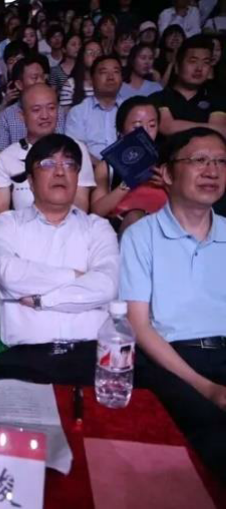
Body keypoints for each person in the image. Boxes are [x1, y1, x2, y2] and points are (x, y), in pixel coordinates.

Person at [120, 127, 226, 483]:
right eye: (199, 160)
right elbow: (139, 326)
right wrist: (207, 387)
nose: (212, 171)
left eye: (220, 162)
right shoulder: (142, 236)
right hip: (171, 361)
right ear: (166, 173)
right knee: (209, 435)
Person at [0, 133, 119, 385]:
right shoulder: (8, 224)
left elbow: (106, 286)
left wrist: (41, 301)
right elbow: (9, 274)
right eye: (48, 163)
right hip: (25, 359)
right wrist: (77, 277)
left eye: (69, 164)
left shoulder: (98, 227)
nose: (60, 172)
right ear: (30, 180)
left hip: (92, 356)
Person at [0, 84, 95, 215]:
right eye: (36, 110)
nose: (45, 115)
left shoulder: (76, 149)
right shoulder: (6, 157)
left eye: (51, 108)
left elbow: (80, 205)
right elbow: (1, 210)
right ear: (22, 116)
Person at [91, 96, 168, 234]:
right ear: (121, 130)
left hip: (164, 226)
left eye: (152, 125)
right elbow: (97, 212)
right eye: (137, 126)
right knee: (135, 217)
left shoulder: (169, 162)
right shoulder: (107, 167)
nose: (145, 132)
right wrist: (128, 183)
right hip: (123, 225)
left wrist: (168, 185)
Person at [151, 35, 226, 138]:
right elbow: (168, 127)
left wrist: (179, 125)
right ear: (177, 67)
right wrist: (208, 127)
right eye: (193, 61)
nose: (199, 68)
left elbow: (220, 131)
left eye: (206, 62)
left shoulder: (217, 99)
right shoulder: (159, 98)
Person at [0, 54, 66, 154]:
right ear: (19, 84)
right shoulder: (6, 115)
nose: (40, 81)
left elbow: (64, 146)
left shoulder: (57, 110)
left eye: (42, 77)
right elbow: (0, 154)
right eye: (35, 78)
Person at [65, 54, 122, 163]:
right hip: (90, 170)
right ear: (92, 79)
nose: (111, 77)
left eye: (116, 72)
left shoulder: (131, 110)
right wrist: (103, 168)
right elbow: (76, 149)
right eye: (104, 72)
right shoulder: (78, 112)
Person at [60, 40, 102, 108]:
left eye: (98, 52)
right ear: (82, 56)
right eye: (90, 52)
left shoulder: (107, 82)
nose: (95, 55)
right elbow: (65, 113)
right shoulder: (70, 85)